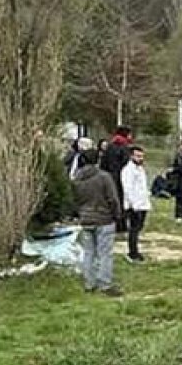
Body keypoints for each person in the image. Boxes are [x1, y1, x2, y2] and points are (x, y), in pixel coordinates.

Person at [71, 149, 123, 297]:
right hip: (104, 219)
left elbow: (75, 200)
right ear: (97, 160)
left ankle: (89, 284)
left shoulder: (77, 179)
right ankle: (105, 284)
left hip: (86, 219)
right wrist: (117, 215)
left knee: (88, 253)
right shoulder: (104, 177)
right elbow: (112, 198)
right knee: (105, 253)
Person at [121, 145, 151, 263]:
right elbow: (127, 189)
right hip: (134, 205)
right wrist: (134, 205)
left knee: (138, 229)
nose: (140, 158)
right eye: (138, 156)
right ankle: (132, 253)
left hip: (142, 203)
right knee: (134, 229)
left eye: (142, 156)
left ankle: (135, 250)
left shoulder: (140, 169)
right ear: (131, 156)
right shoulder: (128, 170)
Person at [101, 126, 134, 232]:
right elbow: (127, 164)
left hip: (110, 177)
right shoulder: (125, 147)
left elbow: (103, 164)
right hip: (121, 178)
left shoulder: (109, 147)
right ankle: (121, 224)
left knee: (111, 200)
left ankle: (112, 222)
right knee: (122, 200)